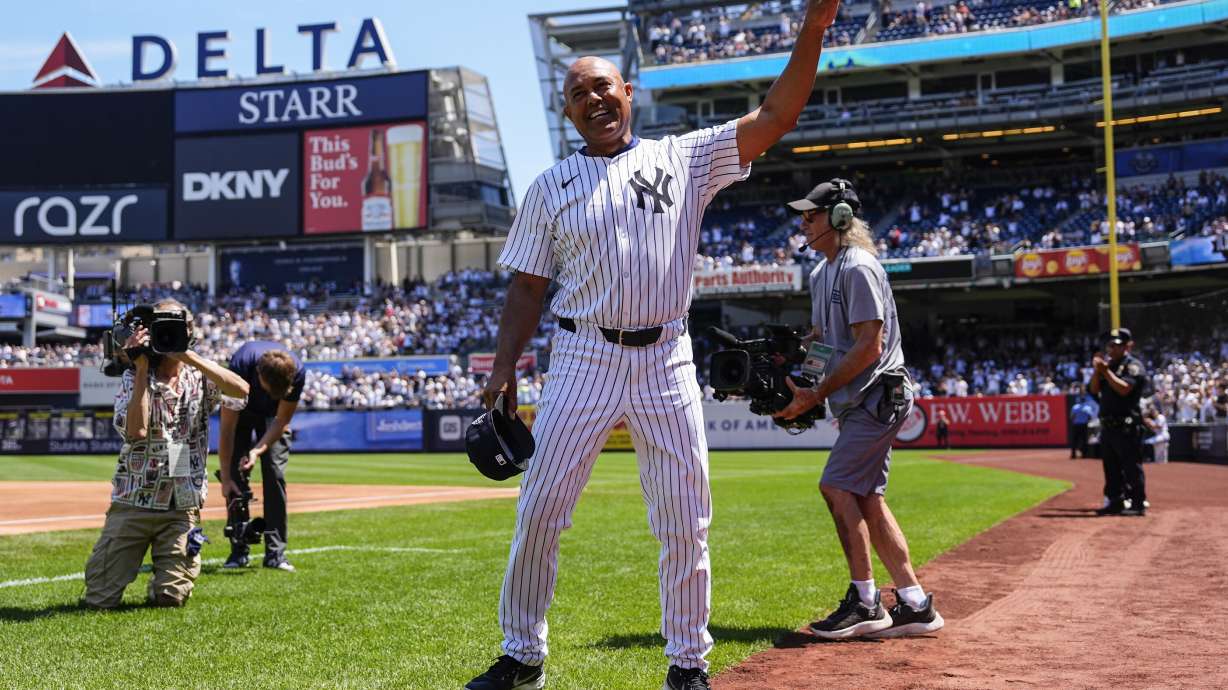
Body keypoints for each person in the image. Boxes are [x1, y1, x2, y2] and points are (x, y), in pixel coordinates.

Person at [465, 2, 842, 687]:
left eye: (601, 86)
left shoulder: (685, 157)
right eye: (577, 94)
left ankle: (687, 664)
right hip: (583, 354)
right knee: (541, 510)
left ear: (628, 92)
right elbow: (525, 289)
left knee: (684, 519)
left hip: (666, 357)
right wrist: (502, 371)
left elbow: (775, 119)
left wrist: (812, 30)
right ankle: (522, 654)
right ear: (569, 113)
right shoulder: (550, 187)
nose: (592, 99)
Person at [773, 178, 944, 640]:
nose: (803, 221)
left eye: (811, 214)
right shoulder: (820, 273)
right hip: (858, 400)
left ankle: (866, 602)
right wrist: (799, 376)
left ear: (841, 218)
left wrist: (815, 392)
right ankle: (915, 604)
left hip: (877, 394)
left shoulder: (859, 267)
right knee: (867, 498)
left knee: (835, 486)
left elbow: (870, 345)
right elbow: (826, 345)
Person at [82, 300, 249, 608]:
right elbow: (137, 432)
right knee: (99, 600)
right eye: (162, 328)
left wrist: (186, 354)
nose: (167, 335)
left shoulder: (199, 376)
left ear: (190, 332)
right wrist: (143, 366)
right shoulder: (134, 377)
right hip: (134, 499)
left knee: (172, 598)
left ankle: (164, 582)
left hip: (181, 503)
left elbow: (241, 391)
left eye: (176, 328)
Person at [219, 342, 306, 571]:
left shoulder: (297, 372)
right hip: (242, 412)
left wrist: (257, 450)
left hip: (272, 419)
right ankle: (239, 551)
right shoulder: (239, 368)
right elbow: (227, 429)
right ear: (258, 376)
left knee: (274, 472)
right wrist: (226, 478)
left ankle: (275, 554)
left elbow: (281, 421)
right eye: (267, 390)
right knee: (236, 479)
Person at [1089, 327, 1149, 516]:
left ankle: (1138, 503)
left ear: (1126, 347)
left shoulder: (1133, 366)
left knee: (1131, 467)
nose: (1111, 350)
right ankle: (1115, 501)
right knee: (1111, 468)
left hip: (1127, 426)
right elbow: (1093, 390)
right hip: (1108, 426)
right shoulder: (1108, 366)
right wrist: (1097, 372)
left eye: (1116, 346)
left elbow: (1124, 389)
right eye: (1109, 346)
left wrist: (1105, 372)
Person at [1069, 394, 1097, 459]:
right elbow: (1090, 417)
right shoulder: (1087, 408)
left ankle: (1073, 454)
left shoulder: (1075, 407)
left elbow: (1072, 416)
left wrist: (1075, 421)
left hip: (1076, 425)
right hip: (1084, 425)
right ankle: (1084, 454)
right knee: (1084, 440)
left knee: (1074, 440)